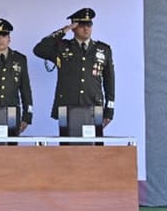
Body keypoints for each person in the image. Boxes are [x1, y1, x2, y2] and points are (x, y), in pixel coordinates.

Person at [33, 7, 114, 135]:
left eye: (89, 25)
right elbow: (39, 49)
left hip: (94, 105)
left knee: (95, 146)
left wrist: (109, 109)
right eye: (81, 25)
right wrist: (64, 30)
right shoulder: (62, 47)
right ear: (74, 27)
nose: (86, 29)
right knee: (67, 146)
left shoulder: (103, 49)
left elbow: (110, 81)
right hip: (67, 105)